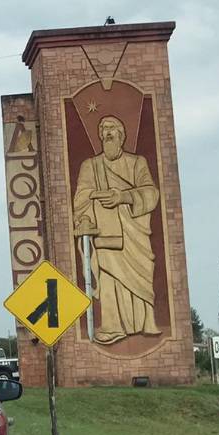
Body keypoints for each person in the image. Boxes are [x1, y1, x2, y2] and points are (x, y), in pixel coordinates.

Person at [72, 115, 161, 344]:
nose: (108, 133)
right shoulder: (90, 166)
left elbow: (151, 194)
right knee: (109, 273)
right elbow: (80, 197)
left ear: (122, 135)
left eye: (112, 129)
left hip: (135, 234)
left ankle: (145, 322)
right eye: (104, 130)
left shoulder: (137, 162)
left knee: (142, 274)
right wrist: (97, 197)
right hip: (105, 230)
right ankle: (112, 326)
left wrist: (123, 197)